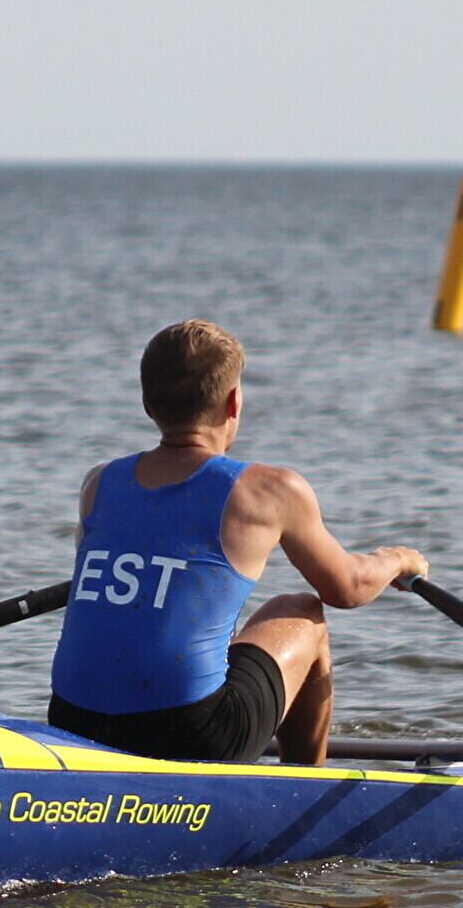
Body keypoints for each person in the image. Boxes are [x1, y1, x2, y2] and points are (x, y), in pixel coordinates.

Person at [46, 319, 429, 767]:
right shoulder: (270, 490)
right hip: (189, 734)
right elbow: (348, 588)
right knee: (303, 611)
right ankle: (299, 790)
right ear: (233, 402)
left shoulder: (98, 483)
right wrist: (396, 558)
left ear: (148, 404)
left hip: (71, 724)